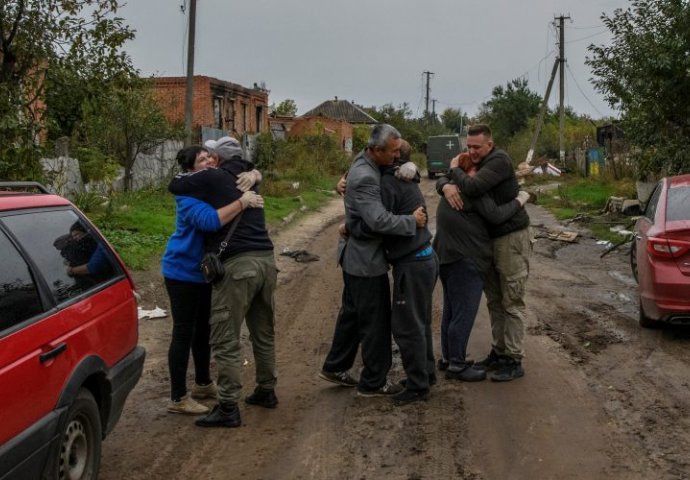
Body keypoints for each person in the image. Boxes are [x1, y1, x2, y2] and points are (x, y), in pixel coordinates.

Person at [168, 136, 278, 428]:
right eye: (202, 158)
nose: (207, 162)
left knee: (225, 336)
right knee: (262, 331)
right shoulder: (249, 178)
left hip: (238, 264)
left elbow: (175, 184)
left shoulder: (214, 178)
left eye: (209, 157)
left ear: (217, 159)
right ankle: (267, 390)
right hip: (266, 259)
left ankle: (228, 407)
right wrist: (252, 183)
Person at [319, 124, 427, 398]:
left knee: (352, 315)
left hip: (354, 258)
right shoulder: (366, 176)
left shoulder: (363, 159)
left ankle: (335, 365)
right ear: (376, 150)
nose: (396, 156)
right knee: (375, 322)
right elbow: (378, 220)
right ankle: (374, 382)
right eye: (392, 152)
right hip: (366, 262)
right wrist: (410, 221)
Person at [346, 140, 438, 405]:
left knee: (407, 328)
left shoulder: (387, 185)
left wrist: (351, 228)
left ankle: (419, 386)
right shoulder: (404, 180)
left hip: (411, 264)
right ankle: (426, 374)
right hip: (423, 259)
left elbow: (377, 224)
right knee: (420, 323)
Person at [441, 124, 531, 382]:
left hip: (511, 237)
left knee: (512, 299)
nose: (472, 151)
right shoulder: (475, 163)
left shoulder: (499, 160)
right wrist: (445, 184)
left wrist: (454, 170)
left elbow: (472, 187)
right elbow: (455, 183)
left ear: (490, 144)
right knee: (494, 299)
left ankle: (513, 359)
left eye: (477, 147)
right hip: (490, 241)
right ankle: (499, 351)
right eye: (468, 147)